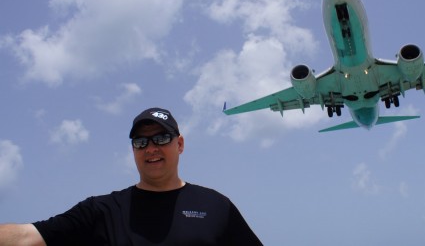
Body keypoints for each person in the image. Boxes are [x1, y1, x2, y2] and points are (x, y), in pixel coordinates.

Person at [0, 107, 263, 246]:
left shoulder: (216, 207)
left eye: (161, 138)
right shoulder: (101, 211)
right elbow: (25, 237)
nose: (151, 148)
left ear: (180, 144)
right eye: (140, 141)